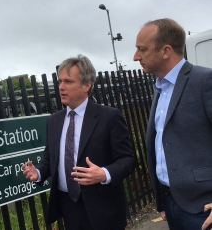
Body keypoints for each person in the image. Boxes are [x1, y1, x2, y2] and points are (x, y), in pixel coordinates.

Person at [22, 55, 135, 230]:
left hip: (103, 209)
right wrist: (37, 172)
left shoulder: (109, 117)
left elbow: (128, 159)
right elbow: (50, 160)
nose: (61, 87)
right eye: (60, 81)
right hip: (69, 206)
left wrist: (104, 174)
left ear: (86, 86)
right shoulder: (53, 121)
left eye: (68, 81)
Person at [134, 18, 212, 230]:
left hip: (203, 210)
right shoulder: (160, 88)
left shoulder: (205, 81)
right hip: (171, 205)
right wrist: (162, 201)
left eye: (142, 49)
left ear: (166, 51)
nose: (135, 57)